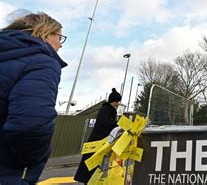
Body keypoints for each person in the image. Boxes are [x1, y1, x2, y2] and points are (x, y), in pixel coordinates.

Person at [0, 11, 68, 184]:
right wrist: (32, 164)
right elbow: (30, 124)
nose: (60, 45)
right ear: (47, 33)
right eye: (60, 38)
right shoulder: (42, 61)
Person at [74, 88, 121, 183]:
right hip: (97, 141)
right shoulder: (106, 109)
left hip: (101, 140)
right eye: (117, 101)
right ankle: (88, 180)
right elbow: (105, 123)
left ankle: (91, 180)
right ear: (113, 101)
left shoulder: (109, 110)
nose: (118, 103)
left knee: (95, 163)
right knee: (91, 163)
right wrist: (117, 123)